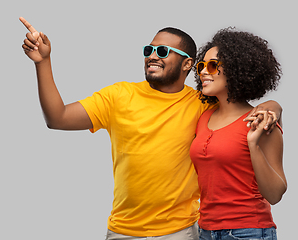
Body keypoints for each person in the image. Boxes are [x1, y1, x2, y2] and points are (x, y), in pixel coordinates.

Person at [19, 17, 283, 240]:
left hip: (182, 231)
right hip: (123, 231)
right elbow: (58, 117)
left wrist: (274, 105)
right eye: (149, 50)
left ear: (186, 64)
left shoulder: (200, 105)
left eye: (164, 51)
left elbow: (239, 106)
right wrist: (43, 62)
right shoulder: (119, 96)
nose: (153, 56)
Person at [190, 27, 287, 240]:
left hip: (248, 231)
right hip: (205, 230)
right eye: (201, 66)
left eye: (213, 66)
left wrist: (253, 144)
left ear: (236, 69)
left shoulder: (261, 121)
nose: (204, 72)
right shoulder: (203, 117)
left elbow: (275, 194)